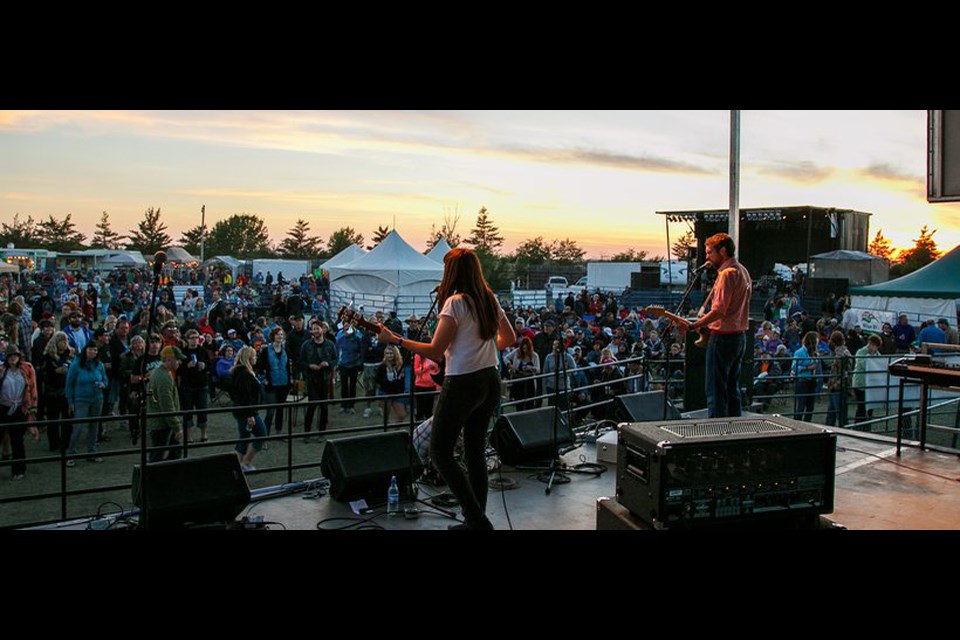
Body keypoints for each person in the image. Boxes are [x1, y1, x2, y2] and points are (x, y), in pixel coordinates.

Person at [377, 248, 515, 530]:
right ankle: (475, 520)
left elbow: (436, 350)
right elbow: (509, 337)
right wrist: (482, 351)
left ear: (452, 273)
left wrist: (397, 340)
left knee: (441, 453)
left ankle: (477, 520)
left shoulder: (455, 303)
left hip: (463, 382)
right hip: (490, 378)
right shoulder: (488, 299)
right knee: (475, 452)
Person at [689, 233, 752, 418]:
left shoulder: (727, 274)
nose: (707, 257)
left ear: (723, 251)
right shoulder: (743, 271)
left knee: (716, 392)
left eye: (710, 252)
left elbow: (719, 311)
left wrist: (695, 325)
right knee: (732, 390)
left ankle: (716, 436)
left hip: (723, 339)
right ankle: (732, 434)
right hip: (739, 338)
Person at [65, 342, 109, 465]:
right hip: (81, 399)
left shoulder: (99, 365)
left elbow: (105, 379)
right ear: (85, 350)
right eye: (91, 349)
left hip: (97, 398)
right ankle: (71, 454)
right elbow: (69, 384)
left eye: (95, 350)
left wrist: (103, 384)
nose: (93, 352)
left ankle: (92, 452)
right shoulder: (76, 365)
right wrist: (70, 401)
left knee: (94, 427)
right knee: (78, 426)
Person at [0, 345, 39, 480]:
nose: (12, 359)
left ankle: (19, 469)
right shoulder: (1, 370)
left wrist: (33, 407)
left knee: (17, 440)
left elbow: (33, 388)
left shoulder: (27, 369)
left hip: (20, 409)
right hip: (3, 408)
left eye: (15, 356)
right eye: (10, 356)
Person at [231, 346, 267, 472]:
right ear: (248, 357)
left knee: (245, 436)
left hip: (246, 410)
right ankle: (243, 463)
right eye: (254, 355)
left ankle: (241, 463)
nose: (256, 357)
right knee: (259, 434)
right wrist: (250, 414)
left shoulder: (244, 372)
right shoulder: (243, 373)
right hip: (247, 411)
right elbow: (244, 395)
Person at [146, 346, 185, 463]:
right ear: (169, 359)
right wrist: (177, 427)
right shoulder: (164, 378)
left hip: (160, 421)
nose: (180, 362)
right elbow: (167, 405)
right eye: (177, 359)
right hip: (163, 423)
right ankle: (153, 477)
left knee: (167, 452)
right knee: (159, 454)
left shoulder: (158, 373)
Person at [300, 320, 338, 441]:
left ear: (322, 329)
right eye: (313, 329)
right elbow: (301, 361)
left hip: (325, 379)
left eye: (317, 328)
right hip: (311, 379)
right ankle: (307, 433)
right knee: (312, 405)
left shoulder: (330, 344)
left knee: (324, 407)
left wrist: (328, 363)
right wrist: (309, 366)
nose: (315, 331)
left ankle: (322, 432)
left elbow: (336, 359)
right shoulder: (306, 345)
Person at [257, 327, 292, 435]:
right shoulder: (266, 350)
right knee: (271, 411)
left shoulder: (286, 350)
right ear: (273, 336)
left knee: (280, 409)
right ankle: (265, 433)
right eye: (278, 334)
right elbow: (259, 366)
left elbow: (288, 366)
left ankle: (278, 431)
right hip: (271, 384)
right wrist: (263, 379)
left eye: (281, 334)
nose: (280, 336)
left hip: (284, 383)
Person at [180, 329, 211, 442]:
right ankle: (188, 436)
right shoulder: (183, 352)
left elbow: (210, 366)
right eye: (192, 338)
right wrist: (187, 366)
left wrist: (205, 366)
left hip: (202, 385)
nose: (194, 340)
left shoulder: (203, 351)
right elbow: (178, 370)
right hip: (187, 386)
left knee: (202, 410)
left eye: (196, 338)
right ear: (187, 339)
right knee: (187, 412)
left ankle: (204, 434)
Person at [791, 331, 821, 423]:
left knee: (810, 406)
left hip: (812, 380)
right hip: (802, 380)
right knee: (801, 404)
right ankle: (798, 424)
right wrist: (808, 367)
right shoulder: (799, 352)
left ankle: (807, 423)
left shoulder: (815, 353)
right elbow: (794, 367)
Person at [852, 334, 882, 425]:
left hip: (871, 385)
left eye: (875, 345)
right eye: (871, 344)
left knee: (870, 407)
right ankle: (858, 427)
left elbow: (880, 365)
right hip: (860, 383)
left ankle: (866, 427)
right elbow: (864, 365)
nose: (872, 346)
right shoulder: (861, 352)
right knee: (861, 407)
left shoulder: (877, 354)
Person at [824, 331, 853, 427]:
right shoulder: (842, 353)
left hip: (838, 388)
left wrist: (835, 385)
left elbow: (845, 373)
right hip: (836, 387)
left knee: (839, 415)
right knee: (832, 414)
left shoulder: (841, 355)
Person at [505, 336, 540, 411]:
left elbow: (538, 370)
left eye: (526, 348)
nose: (525, 351)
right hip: (518, 379)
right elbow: (506, 358)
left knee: (529, 401)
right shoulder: (516, 352)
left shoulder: (534, 355)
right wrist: (509, 365)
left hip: (529, 380)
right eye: (523, 348)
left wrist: (530, 368)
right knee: (519, 401)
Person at [336, 322, 363, 414]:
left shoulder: (357, 339)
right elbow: (337, 351)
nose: (346, 330)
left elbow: (361, 351)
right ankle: (343, 405)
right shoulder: (340, 339)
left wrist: (359, 363)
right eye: (345, 329)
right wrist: (337, 363)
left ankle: (351, 405)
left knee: (352, 385)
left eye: (348, 328)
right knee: (344, 386)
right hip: (343, 365)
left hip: (354, 365)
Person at [376, 344, 407, 422]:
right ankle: (386, 432)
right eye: (387, 353)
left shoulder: (400, 365)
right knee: (386, 416)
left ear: (395, 354)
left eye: (391, 353)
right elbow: (378, 379)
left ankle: (396, 431)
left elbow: (403, 380)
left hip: (397, 393)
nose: (389, 355)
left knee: (402, 415)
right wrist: (391, 383)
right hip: (385, 392)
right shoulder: (382, 366)